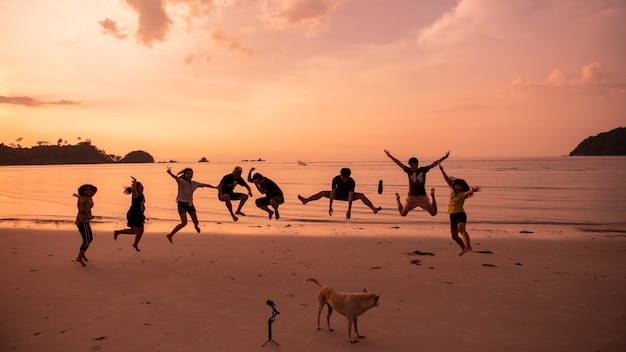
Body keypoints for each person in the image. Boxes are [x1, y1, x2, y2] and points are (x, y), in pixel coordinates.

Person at [384, 149, 449, 217]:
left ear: (417, 164)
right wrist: (390, 156)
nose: (411, 167)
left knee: (434, 213)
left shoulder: (423, 170)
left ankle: (432, 196)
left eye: (413, 165)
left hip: (422, 196)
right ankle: (398, 199)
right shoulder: (409, 171)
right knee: (403, 214)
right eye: (410, 165)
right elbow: (399, 163)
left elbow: (434, 164)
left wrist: (444, 158)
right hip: (411, 197)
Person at [297, 167, 382, 219]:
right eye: (343, 178)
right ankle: (306, 200)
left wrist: (349, 210)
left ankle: (373, 209)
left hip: (346, 196)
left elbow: (350, 196)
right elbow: (332, 193)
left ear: (349, 177)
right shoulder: (336, 179)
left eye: (346, 178)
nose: (345, 179)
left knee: (361, 195)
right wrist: (330, 206)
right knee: (322, 192)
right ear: (340, 175)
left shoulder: (351, 181)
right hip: (337, 194)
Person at [438, 161, 480, 256]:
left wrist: (472, 190)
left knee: (461, 230)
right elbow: (446, 179)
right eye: (457, 185)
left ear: (462, 187)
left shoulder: (462, 194)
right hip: (452, 215)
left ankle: (468, 246)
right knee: (454, 236)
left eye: (460, 186)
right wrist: (441, 169)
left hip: (460, 214)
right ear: (455, 185)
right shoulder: (452, 190)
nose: (458, 186)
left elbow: (467, 193)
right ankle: (464, 248)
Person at [166, 167, 216, 243]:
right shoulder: (181, 181)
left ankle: (195, 226)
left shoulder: (194, 183)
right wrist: (170, 173)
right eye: (188, 174)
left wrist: (215, 187)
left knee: (196, 222)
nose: (189, 175)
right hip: (181, 203)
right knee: (184, 223)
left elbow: (205, 185)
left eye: (191, 174)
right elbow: (176, 178)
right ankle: (170, 235)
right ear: (185, 174)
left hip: (189, 204)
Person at [114, 177, 146, 251]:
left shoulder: (142, 194)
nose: (142, 187)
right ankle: (118, 232)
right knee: (135, 231)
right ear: (137, 188)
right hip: (133, 214)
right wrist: (135, 182)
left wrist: (142, 214)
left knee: (141, 230)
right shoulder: (136, 194)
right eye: (140, 186)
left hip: (139, 214)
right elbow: (134, 190)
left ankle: (135, 244)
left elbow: (142, 205)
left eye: (142, 186)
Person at [74, 184, 97, 266]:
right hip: (82, 221)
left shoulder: (88, 198)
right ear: (83, 191)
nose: (89, 191)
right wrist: (79, 199)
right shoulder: (82, 199)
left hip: (86, 221)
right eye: (86, 190)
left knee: (89, 239)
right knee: (87, 240)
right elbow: (80, 210)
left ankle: (83, 254)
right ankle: (79, 257)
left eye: (90, 190)